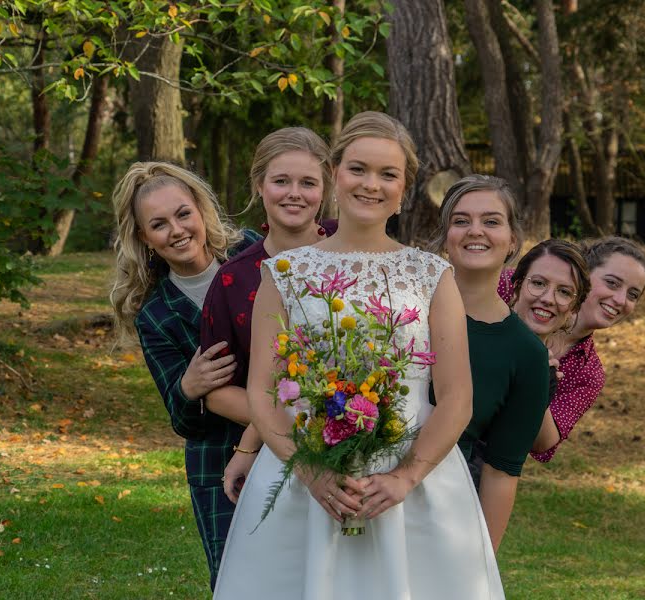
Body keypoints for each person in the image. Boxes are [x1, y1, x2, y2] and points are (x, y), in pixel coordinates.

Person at [213, 112, 504, 599]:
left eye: (388, 174)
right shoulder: (283, 273)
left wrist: (405, 478)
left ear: (405, 186)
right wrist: (311, 472)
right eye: (358, 169)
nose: (372, 185)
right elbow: (263, 393)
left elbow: (457, 398)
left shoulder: (432, 275)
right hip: (305, 475)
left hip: (412, 480)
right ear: (334, 175)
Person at [108, 162, 259, 591]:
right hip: (218, 460)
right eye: (158, 224)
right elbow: (183, 421)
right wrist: (188, 388)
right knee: (237, 580)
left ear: (201, 210)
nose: (176, 230)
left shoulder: (251, 252)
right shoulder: (156, 314)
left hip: (295, 434)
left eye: (182, 214)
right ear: (143, 238)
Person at [430, 176, 588, 552]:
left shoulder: (527, 355)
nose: (475, 231)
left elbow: (501, 473)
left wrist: (479, 566)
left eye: (491, 221)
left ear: (513, 239)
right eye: (461, 220)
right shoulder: (403, 304)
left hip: (443, 509)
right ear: (445, 235)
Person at [199, 127, 335, 543]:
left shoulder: (352, 254)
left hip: (360, 441)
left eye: (308, 182)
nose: (294, 193)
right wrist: (295, 425)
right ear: (259, 185)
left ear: (325, 189)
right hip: (272, 459)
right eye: (281, 181)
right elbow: (216, 391)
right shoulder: (233, 279)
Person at [526, 236, 645, 461]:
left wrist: (537, 385)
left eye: (633, 295)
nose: (621, 300)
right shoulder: (522, 290)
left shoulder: (589, 373)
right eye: (612, 283)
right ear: (584, 276)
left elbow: (543, 443)